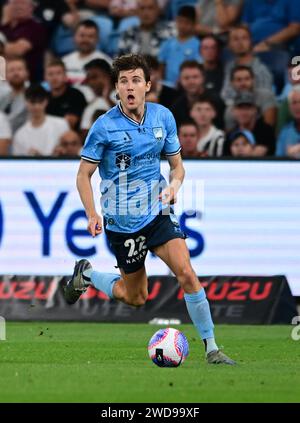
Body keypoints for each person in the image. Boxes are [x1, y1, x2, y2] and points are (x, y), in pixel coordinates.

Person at [64, 54, 235, 365]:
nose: (130, 87)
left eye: (135, 80)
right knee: (135, 298)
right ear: (116, 88)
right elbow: (83, 175)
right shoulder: (104, 127)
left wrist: (173, 187)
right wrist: (91, 214)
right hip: (122, 224)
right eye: (124, 81)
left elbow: (178, 168)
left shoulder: (163, 118)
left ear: (148, 85)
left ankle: (212, 348)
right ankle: (88, 275)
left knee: (186, 272)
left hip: (157, 213)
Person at [12, 84, 69, 156]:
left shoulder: (62, 124)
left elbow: (71, 151)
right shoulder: (20, 134)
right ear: (26, 102)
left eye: (40, 101)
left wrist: (62, 151)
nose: (36, 106)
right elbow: (17, 163)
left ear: (46, 101)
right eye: (33, 102)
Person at [158, 5, 201, 87]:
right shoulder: (167, 43)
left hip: (188, 85)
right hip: (167, 85)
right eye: (180, 21)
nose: (182, 26)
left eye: (187, 22)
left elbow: (198, 67)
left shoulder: (198, 45)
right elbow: (161, 66)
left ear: (194, 24)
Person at [45, 59, 87, 130]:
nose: (54, 78)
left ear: (65, 76)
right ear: (45, 78)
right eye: (50, 74)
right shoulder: (43, 97)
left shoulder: (76, 95)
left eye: (58, 73)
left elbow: (69, 124)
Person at [276, 86, 300, 158]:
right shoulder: (285, 131)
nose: (298, 106)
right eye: (294, 103)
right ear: (289, 107)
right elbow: (278, 158)